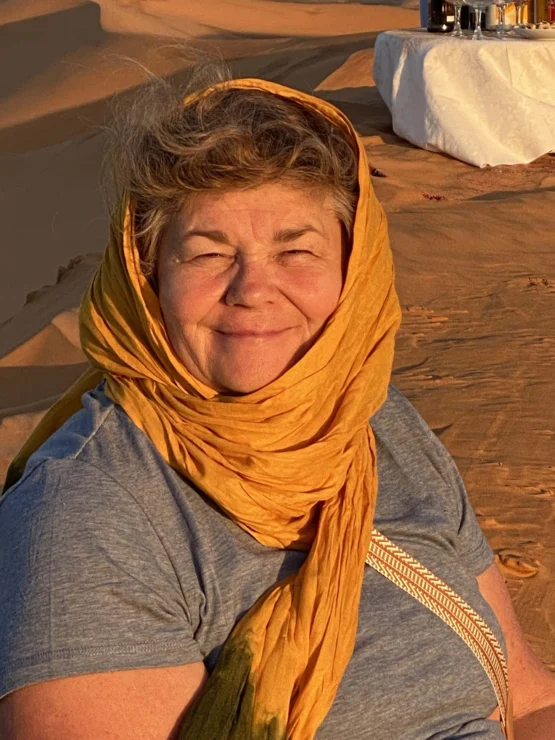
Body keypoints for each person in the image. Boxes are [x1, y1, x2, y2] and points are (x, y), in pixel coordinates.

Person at [0, 61, 554, 740]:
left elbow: (523, 696)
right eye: (207, 253)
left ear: (355, 268)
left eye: (296, 251)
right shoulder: (89, 516)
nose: (252, 289)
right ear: (147, 277)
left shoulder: (374, 424)